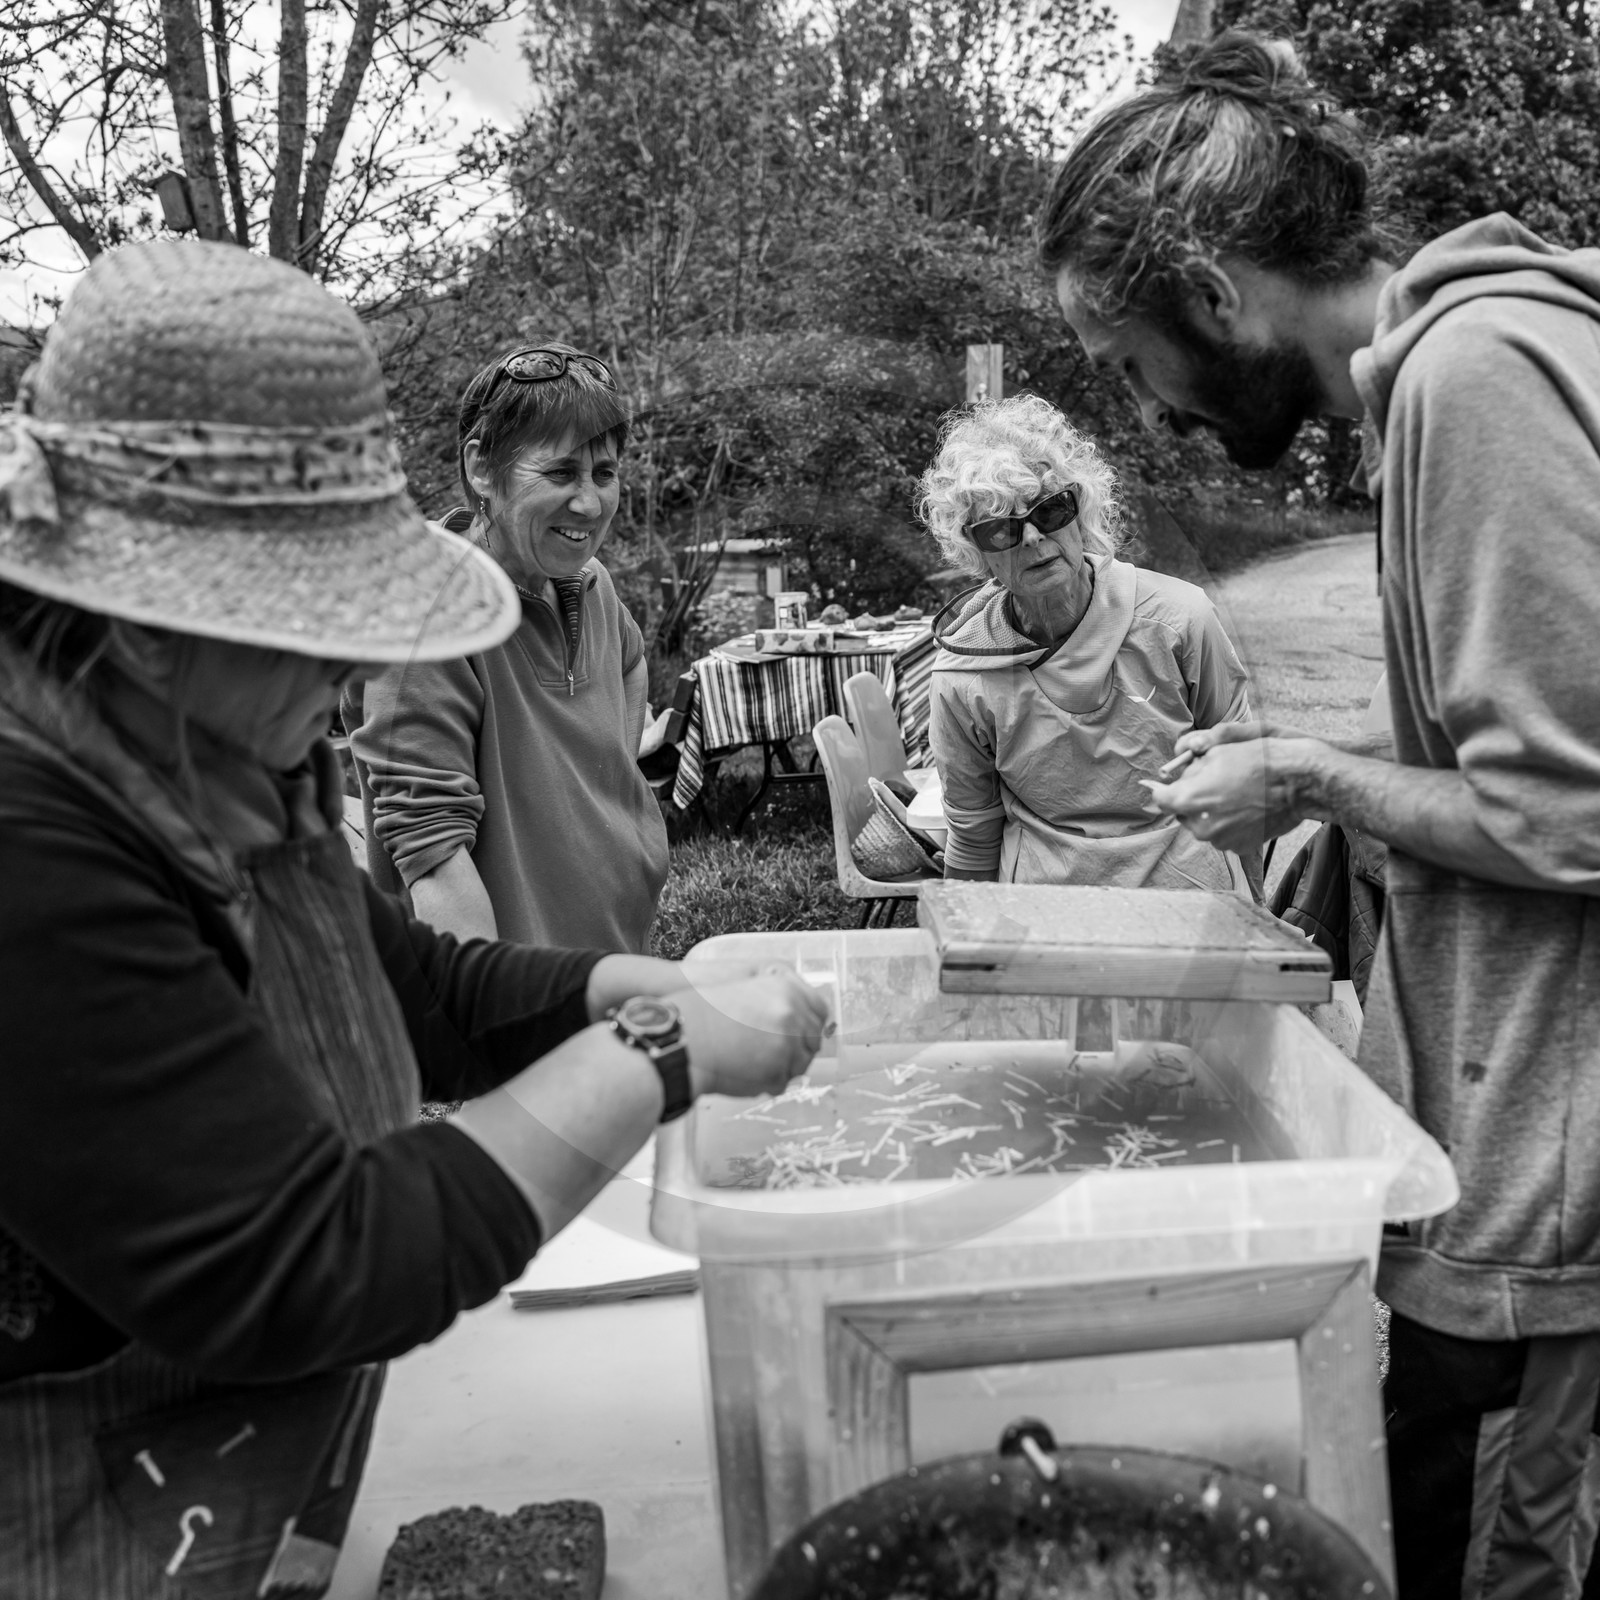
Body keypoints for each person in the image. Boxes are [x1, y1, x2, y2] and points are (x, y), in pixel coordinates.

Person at [0, 238, 826, 1599]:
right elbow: (300, 1259)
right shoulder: (34, 848)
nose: (359, 667)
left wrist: (637, 982)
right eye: (321, 619)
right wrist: (655, 1056)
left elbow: (422, 989)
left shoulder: (219, 750)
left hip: (224, 1491)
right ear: (147, 617)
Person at [1041, 30, 1600, 1597]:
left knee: (1483, 1548)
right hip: (1507, 1133)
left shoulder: (1474, 381)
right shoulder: (1462, 371)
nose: (1151, 411)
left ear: (1216, 295)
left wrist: (1302, 775)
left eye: (1130, 362)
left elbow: (1572, 816)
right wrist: (1347, 783)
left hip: (1540, 1183)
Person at [345, 342, 668, 951]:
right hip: (507, 1006)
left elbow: (630, 661)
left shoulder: (590, 583)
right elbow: (433, 854)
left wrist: (619, 799)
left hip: (606, 965)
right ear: (482, 468)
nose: (590, 502)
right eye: (560, 472)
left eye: (604, 473)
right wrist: (509, 1014)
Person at [918, 394, 1253, 890]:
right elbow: (973, 831)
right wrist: (967, 948)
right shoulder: (961, 675)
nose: (1032, 538)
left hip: (1188, 899)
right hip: (1045, 917)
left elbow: (1240, 776)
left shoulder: (1181, 620)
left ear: (1082, 510)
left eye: (1050, 511)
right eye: (1001, 530)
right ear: (977, 553)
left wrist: (1254, 916)